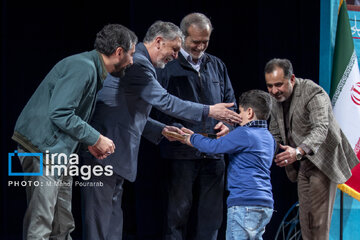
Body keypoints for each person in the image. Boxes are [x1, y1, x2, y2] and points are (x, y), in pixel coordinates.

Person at [80, 20, 241, 240]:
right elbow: (165, 101)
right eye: (174, 49)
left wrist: (163, 129)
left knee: (111, 224)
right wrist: (209, 110)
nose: (176, 56)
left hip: (114, 154)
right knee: (100, 226)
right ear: (158, 42)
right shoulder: (138, 63)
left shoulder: (141, 63)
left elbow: (129, 114)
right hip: (102, 152)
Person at [11, 24, 137, 240]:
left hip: (59, 149)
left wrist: (87, 142)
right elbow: (60, 113)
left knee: (63, 223)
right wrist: (95, 138)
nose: (132, 61)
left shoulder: (92, 69)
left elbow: (69, 115)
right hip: (42, 148)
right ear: (118, 52)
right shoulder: (84, 67)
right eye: (131, 54)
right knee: (42, 222)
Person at [152, 12, 236, 240]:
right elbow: (157, 106)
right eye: (195, 42)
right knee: (177, 214)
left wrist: (229, 125)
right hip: (181, 152)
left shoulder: (217, 65)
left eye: (205, 42)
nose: (200, 47)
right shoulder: (167, 65)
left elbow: (231, 105)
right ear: (182, 37)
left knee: (212, 217)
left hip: (214, 151)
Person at [264, 58, 359, 239]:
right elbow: (274, 133)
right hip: (303, 163)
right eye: (269, 86)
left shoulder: (313, 93)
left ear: (291, 79)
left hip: (324, 161)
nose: (274, 91)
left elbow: (321, 128)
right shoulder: (274, 100)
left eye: (278, 85)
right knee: (306, 221)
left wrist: (297, 151)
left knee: (319, 223)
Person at [181, 89, 275, 240]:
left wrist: (191, 138)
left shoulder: (245, 133)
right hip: (265, 205)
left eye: (240, 112)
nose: (239, 116)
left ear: (249, 112)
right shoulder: (269, 138)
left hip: (244, 204)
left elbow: (213, 147)